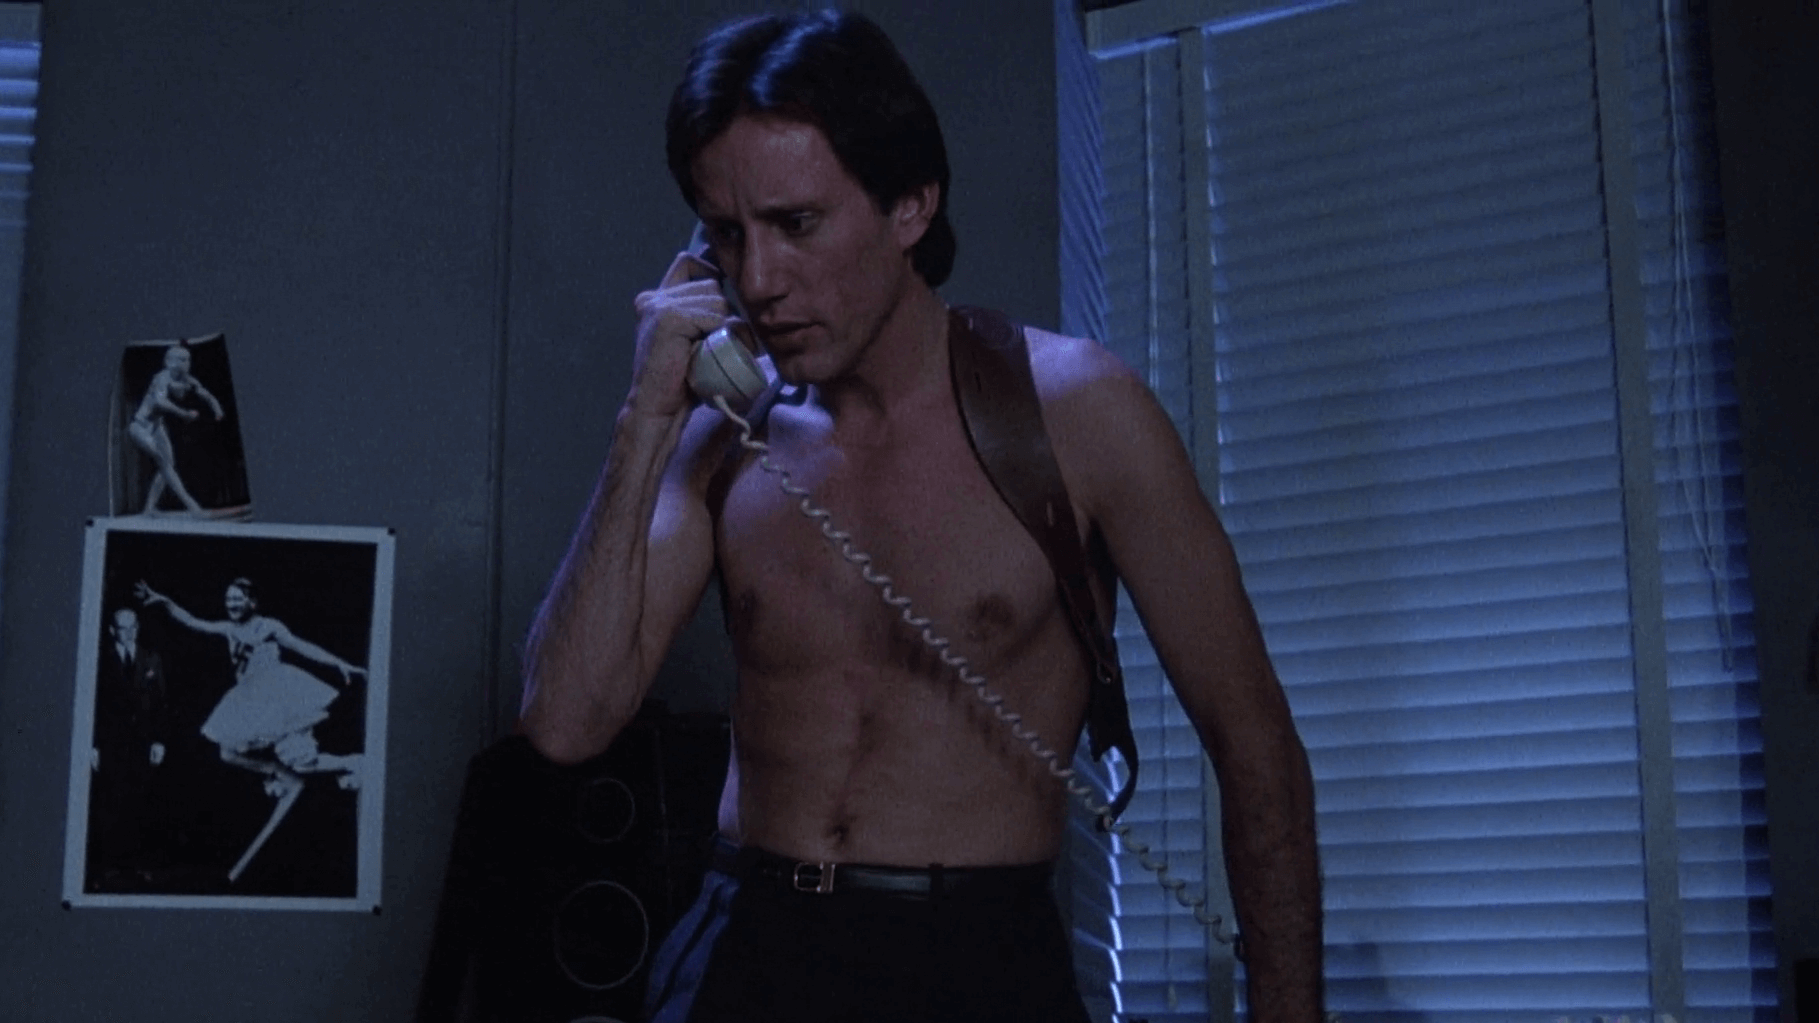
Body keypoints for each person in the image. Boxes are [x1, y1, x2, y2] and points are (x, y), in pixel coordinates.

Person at [520, 10, 1323, 1021]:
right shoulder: (726, 432)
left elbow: (1253, 745)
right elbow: (565, 724)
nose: (758, 281)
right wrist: (642, 424)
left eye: (796, 225)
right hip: (747, 940)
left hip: (970, 954)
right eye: (726, 234)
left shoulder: (1076, 412)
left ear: (909, 205)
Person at [135, 577, 366, 878]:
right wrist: (165, 601)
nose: (231, 604)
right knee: (228, 753)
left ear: (251, 602)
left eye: (237, 599)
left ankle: (352, 763)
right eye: (228, 599)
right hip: (250, 700)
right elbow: (192, 621)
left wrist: (339, 663)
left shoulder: (269, 626)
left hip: (280, 697)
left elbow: (303, 646)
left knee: (301, 761)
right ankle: (278, 774)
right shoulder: (228, 629)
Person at [87, 606, 172, 887]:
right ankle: (108, 867)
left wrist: (159, 740)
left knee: (141, 802)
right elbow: (93, 704)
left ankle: (140, 865)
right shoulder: (100, 659)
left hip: (142, 744)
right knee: (110, 803)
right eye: (124, 628)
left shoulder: (151, 659)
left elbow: (161, 703)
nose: (130, 632)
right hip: (111, 744)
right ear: (113, 630)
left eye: (134, 626)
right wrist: (93, 745)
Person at [128, 343, 225, 515]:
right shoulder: (161, 378)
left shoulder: (188, 380)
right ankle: (193, 506)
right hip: (140, 427)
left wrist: (217, 409)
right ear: (169, 361)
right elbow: (160, 402)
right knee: (164, 463)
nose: (186, 364)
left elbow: (206, 395)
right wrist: (184, 413)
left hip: (157, 427)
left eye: (188, 360)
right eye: (181, 359)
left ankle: (149, 509)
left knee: (167, 465)